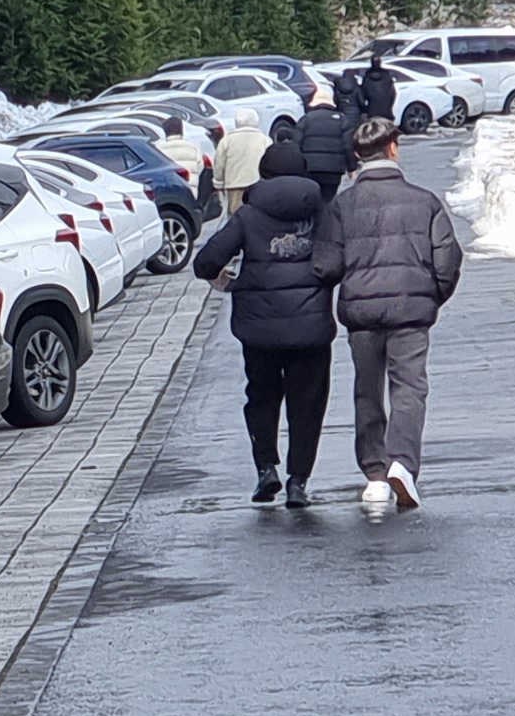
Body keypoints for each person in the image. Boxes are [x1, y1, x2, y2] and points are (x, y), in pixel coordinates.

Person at [191, 128, 342, 505]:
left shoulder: (248, 215)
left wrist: (224, 282)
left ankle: (265, 470)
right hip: (310, 328)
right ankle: (298, 482)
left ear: (265, 174)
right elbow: (338, 260)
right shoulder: (322, 209)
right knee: (307, 404)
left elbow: (206, 261)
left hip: (258, 329)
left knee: (261, 397)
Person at [330, 112, 463, 516]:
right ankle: (402, 464)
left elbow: (326, 264)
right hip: (410, 312)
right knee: (409, 389)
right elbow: (449, 259)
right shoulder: (424, 201)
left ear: (358, 155)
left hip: (362, 313)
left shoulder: (342, 205)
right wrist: (429, 298)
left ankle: (373, 474)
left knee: (366, 390)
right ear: (393, 148)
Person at [295, 80, 354, 201]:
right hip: (334, 170)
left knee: (312, 199)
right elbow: (349, 146)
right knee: (328, 200)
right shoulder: (342, 120)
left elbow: (296, 144)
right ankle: (327, 219)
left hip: (310, 168)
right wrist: (351, 167)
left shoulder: (306, 120)